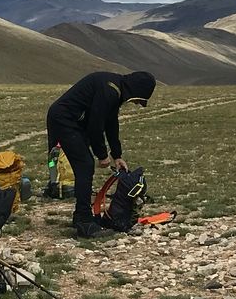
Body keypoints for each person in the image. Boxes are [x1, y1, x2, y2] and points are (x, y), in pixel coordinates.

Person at [45, 70, 157, 238]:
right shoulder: (110, 91)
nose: (137, 104)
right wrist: (102, 155)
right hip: (64, 121)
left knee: (84, 165)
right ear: (136, 90)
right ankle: (84, 222)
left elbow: (111, 123)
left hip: (72, 121)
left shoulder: (115, 89)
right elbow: (96, 125)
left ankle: (81, 216)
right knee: (85, 165)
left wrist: (117, 155)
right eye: (139, 100)